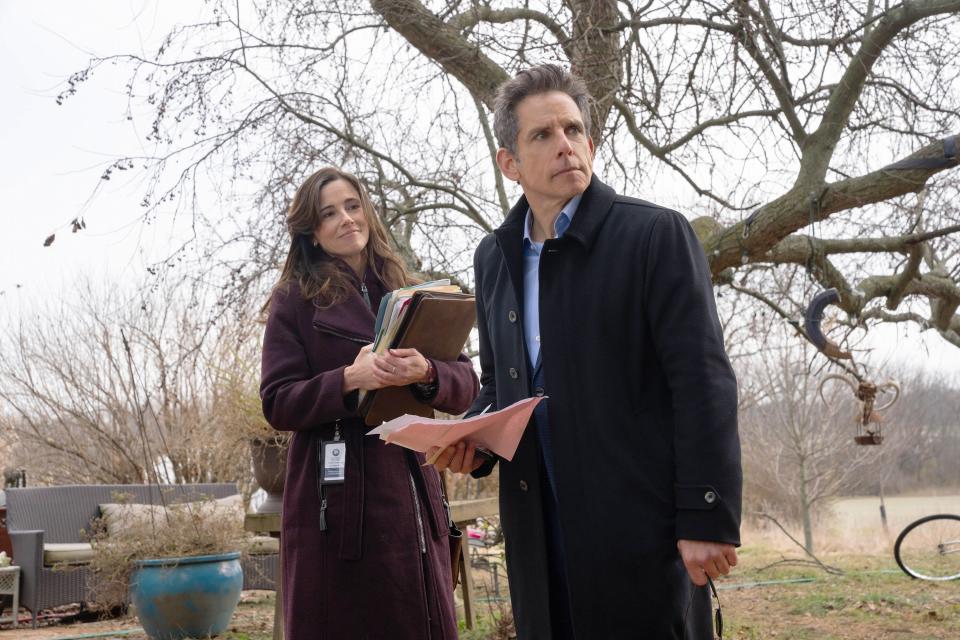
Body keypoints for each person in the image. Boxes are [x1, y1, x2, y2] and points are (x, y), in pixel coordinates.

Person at [430, 65, 742, 639]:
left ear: (592, 145)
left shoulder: (656, 237)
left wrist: (705, 513)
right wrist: (473, 439)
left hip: (636, 528)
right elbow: (503, 386)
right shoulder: (493, 258)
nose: (565, 146)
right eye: (543, 136)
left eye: (574, 130)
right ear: (510, 163)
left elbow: (703, 383)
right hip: (534, 529)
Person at [260, 166, 479, 639]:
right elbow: (277, 402)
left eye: (353, 206)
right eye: (329, 214)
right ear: (312, 233)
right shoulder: (294, 301)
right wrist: (347, 379)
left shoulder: (412, 292)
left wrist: (427, 372)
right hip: (337, 507)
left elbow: (466, 385)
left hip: (415, 498)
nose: (346, 220)